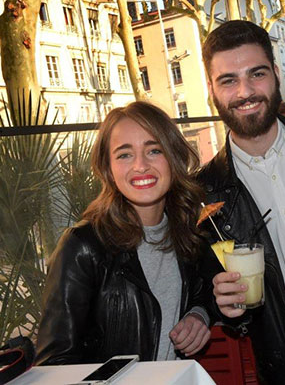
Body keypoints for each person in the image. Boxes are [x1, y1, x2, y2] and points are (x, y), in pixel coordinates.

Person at [197, 21, 285, 384]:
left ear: (275, 73)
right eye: (228, 80)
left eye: (256, 74)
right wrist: (222, 306)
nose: (245, 91)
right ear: (211, 88)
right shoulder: (201, 196)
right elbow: (203, 292)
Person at [36, 101, 215, 365]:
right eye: (124, 154)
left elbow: (206, 288)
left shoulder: (188, 230)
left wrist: (199, 314)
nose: (141, 166)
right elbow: (54, 364)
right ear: (108, 169)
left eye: (154, 150)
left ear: (173, 158)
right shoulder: (82, 247)